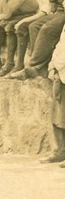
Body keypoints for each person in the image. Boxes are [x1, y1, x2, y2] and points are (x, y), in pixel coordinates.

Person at [3, 0, 56, 77]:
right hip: (41, 15)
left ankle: (29, 62)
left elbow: (45, 11)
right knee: (12, 25)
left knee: (28, 26)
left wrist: (24, 20)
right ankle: (14, 63)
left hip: (47, 17)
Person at [45, 25, 65, 167]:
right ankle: (59, 151)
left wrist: (57, 65)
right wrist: (52, 66)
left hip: (62, 68)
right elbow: (59, 46)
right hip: (61, 73)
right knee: (58, 115)